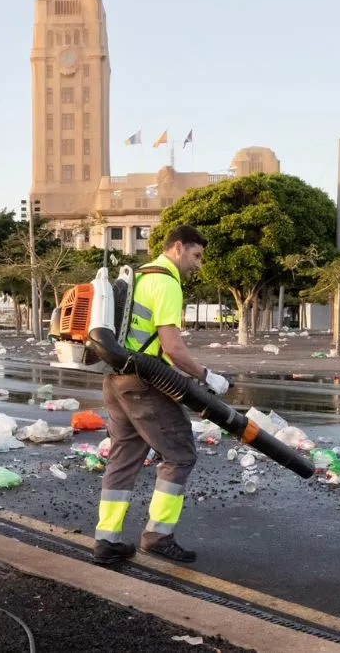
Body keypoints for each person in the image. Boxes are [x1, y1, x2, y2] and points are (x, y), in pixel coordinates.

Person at [93, 225, 230, 566]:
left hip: (115, 379)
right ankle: (158, 536)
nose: (198, 265)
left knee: (124, 456)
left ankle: (107, 540)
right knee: (180, 455)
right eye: (196, 256)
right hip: (143, 381)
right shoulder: (166, 282)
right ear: (178, 248)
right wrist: (206, 376)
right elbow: (172, 348)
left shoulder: (137, 276)